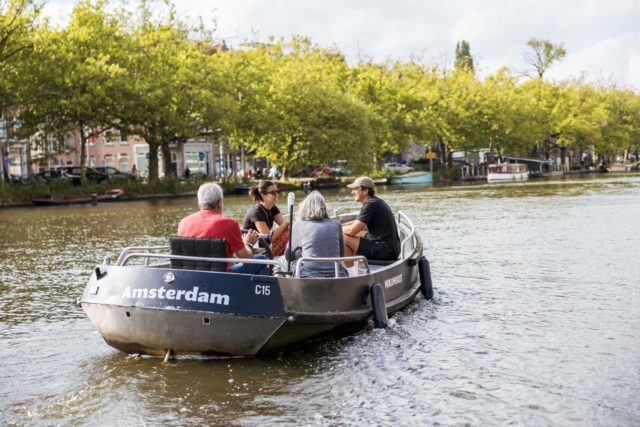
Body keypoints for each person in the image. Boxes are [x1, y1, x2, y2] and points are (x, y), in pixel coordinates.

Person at [178, 182, 267, 275]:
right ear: (219, 203)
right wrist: (248, 243)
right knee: (261, 260)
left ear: (199, 203)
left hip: (190, 277)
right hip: (220, 279)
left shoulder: (183, 222)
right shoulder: (230, 224)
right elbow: (246, 258)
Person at [285, 191, 348, 278]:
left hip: (308, 275)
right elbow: (341, 255)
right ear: (324, 208)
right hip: (337, 274)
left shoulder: (299, 225)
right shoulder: (336, 224)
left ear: (304, 208)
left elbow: (288, 256)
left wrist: (299, 254)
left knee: (283, 261)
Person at [342, 176, 400, 261]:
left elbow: (351, 230)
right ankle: (355, 263)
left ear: (365, 191)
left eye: (355, 189)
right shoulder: (374, 201)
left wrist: (335, 228)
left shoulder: (370, 205)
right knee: (358, 233)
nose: (352, 192)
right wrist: (338, 224)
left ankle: (350, 271)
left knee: (342, 237)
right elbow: (357, 222)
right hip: (392, 248)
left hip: (385, 250)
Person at [242, 180, 290, 255]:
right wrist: (284, 224)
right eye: (273, 192)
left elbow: (286, 226)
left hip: (264, 245)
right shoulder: (257, 211)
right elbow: (268, 237)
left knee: (289, 232)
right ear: (263, 195)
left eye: (277, 191)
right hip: (252, 248)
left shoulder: (273, 208)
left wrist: (288, 225)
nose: (277, 194)